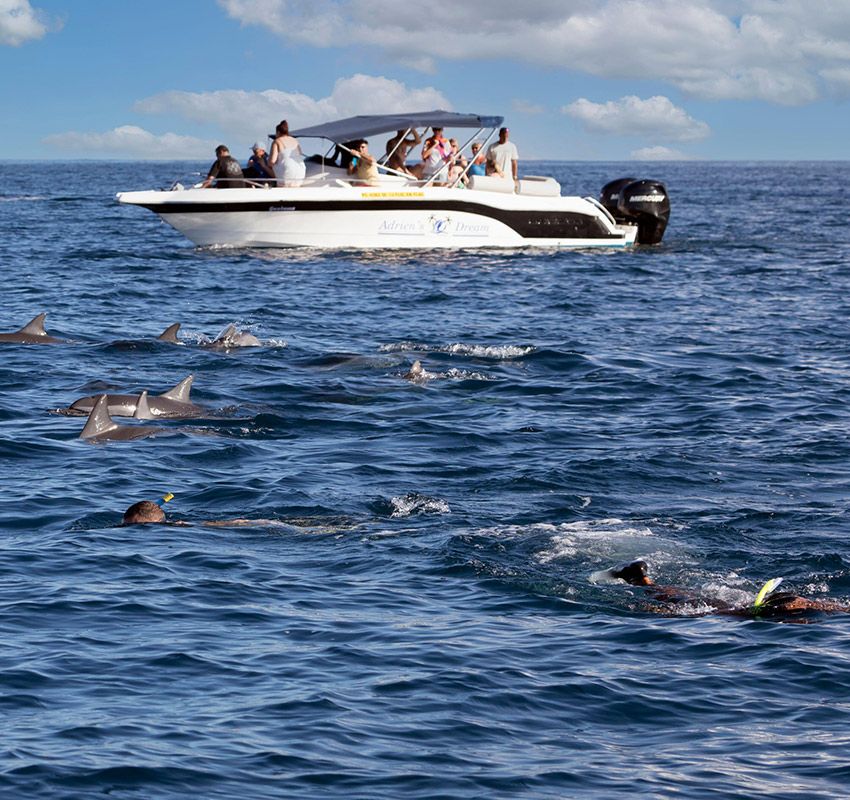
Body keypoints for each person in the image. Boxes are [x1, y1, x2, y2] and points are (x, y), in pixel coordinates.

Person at [608, 559, 848, 620]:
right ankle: (641, 581)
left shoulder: (818, 608)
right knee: (692, 603)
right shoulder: (786, 610)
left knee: (698, 601)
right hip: (759, 610)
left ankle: (642, 581)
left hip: (749, 610)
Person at [268, 120, 306, 187]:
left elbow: (272, 161)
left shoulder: (277, 141)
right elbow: (300, 154)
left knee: (271, 165)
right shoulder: (295, 140)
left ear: (278, 132)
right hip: (301, 172)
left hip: (287, 173)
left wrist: (265, 165)